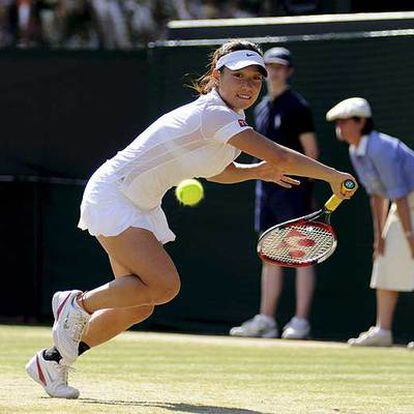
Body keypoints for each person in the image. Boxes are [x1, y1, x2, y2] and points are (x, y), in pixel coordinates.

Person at [25, 39, 356, 399]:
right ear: (217, 76)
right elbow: (280, 155)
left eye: (255, 80)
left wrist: (256, 171)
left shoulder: (228, 120)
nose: (247, 86)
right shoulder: (214, 115)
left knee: (139, 305)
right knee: (165, 286)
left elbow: (219, 172)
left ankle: (52, 361)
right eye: (238, 76)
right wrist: (332, 175)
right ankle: (76, 303)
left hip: (140, 203)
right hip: (114, 194)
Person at [229, 47, 319, 340]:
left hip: (294, 192)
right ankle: (266, 320)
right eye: (270, 67)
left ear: (288, 71)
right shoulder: (262, 106)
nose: (275, 72)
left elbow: (312, 153)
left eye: (281, 67)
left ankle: (300, 322)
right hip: (266, 191)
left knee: (301, 255)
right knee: (269, 254)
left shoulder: (298, 106)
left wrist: (306, 189)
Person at [326, 97, 414, 347]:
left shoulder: (380, 148)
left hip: (406, 200)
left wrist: (409, 236)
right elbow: (377, 194)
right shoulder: (356, 151)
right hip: (404, 204)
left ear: (361, 122)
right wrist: (380, 237)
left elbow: (397, 193)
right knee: (385, 260)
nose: (339, 128)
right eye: (337, 123)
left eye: (344, 122)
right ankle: (383, 331)